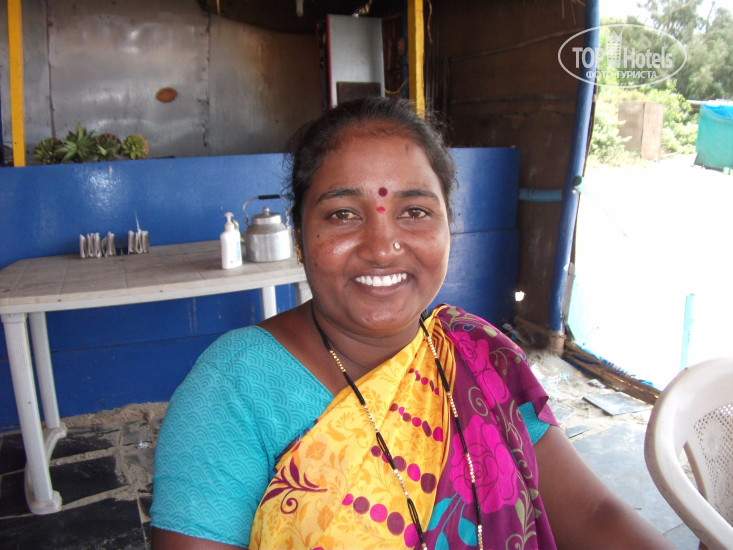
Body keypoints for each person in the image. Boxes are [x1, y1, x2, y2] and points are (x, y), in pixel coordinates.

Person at [150, 97, 674, 550]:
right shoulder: (232, 390)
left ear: (449, 226)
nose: (382, 248)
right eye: (343, 214)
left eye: (415, 212)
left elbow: (591, 514)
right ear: (300, 237)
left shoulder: (481, 356)